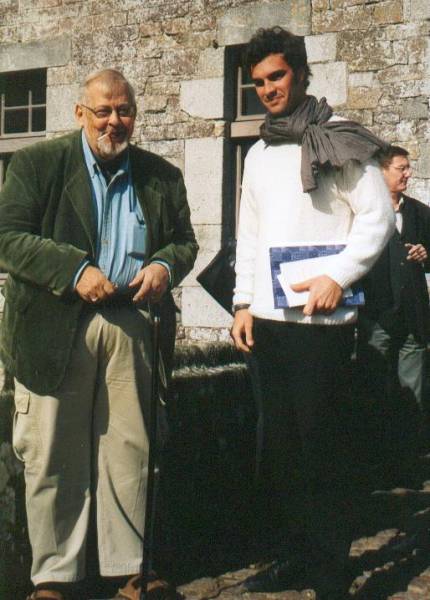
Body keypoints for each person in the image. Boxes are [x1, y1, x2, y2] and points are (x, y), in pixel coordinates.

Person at [0, 69, 197, 600]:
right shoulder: (38, 164)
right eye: (104, 111)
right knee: (50, 455)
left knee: (131, 452)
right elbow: (6, 236)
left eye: (125, 110)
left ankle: (130, 569)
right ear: (80, 113)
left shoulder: (160, 175)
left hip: (132, 323)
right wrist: (72, 269)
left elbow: (184, 242)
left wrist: (163, 265)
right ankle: (53, 579)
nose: (115, 122)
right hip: (52, 326)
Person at [230, 27, 395, 598]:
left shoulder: (341, 142)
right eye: (258, 83)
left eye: (276, 76)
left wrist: (337, 276)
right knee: (280, 456)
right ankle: (294, 557)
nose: (268, 90)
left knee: (323, 455)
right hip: (271, 326)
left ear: (300, 74)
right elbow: (249, 232)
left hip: (323, 329)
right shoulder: (258, 154)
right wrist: (243, 302)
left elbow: (378, 220)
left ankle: (329, 573)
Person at [357, 145, 430, 461]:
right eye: (402, 167)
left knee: (414, 394)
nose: (408, 173)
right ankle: (377, 462)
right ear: (382, 170)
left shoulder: (419, 212)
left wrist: (427, 254)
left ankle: (409, 460)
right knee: (374, 389)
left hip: (413, 317)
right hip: (376, 316)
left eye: (408, 167)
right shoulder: (363, 212)